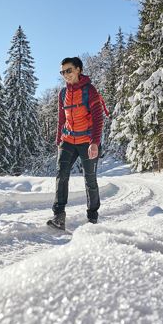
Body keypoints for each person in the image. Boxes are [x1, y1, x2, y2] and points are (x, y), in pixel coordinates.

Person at [48, 57, 106, 230]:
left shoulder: (90, 91)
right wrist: (59, 140)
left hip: (87, 142)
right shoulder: (63, 94)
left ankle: (92, 217)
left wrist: (95, 143)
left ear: (78, 70)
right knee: (61, 175)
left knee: (90, 180)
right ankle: (59, 216)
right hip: (67, 141)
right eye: (63, 72)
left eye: (69, 70)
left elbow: (98, 118)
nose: (66, 75)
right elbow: (61, 119)